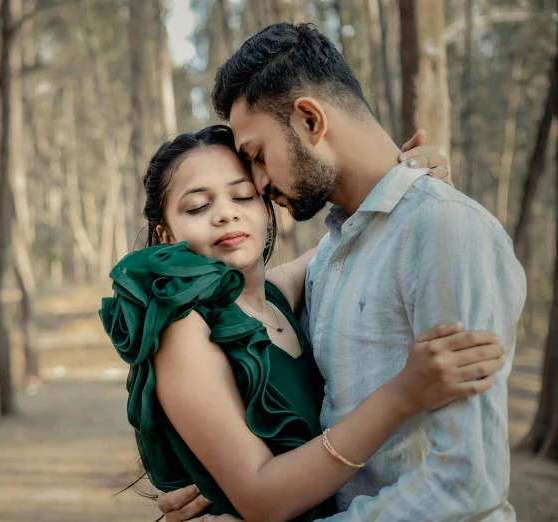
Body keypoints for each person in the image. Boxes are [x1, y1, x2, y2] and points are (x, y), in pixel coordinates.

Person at [157, 23, 527, 522]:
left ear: (310, 119)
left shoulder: (442, 228)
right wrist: (221, 482)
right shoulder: (329, 261)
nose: (260, 185)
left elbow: (465, 482)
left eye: (257, 159)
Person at [100, 124, 506, 522]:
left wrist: (414, 184)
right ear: (165, 232)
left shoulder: (276, 294)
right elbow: (262, 499)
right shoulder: (186, 328)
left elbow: (355, 238)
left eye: (242, 195)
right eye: (197, 207)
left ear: (266, 207)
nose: (226, 214)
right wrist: (404, 394)